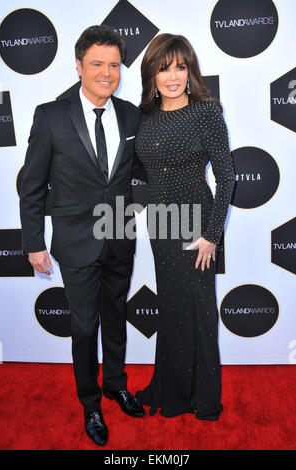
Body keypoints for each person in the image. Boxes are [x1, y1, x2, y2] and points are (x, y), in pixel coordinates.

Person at [20, 25, 146, 447]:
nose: (106, 72)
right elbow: (32, 184)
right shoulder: (50, 115)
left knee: (115, 317)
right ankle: (91, 404)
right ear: (78, 66)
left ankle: (115, 384)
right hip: (75, 242)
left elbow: (142, 172)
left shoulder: (131, 114)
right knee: (83, 325)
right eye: (97, 64)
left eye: (113, 64)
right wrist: (34, 241)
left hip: (119, 235)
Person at [135, 33, 235, 420]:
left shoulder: (206, 112)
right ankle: (171, 388)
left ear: (190, 70)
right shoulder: (144, 115)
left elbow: (226, 178)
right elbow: (142, 171)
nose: (172, 77)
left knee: (198, 310)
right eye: (164, 68)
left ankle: (203, 398)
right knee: (172, 309)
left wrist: (212, 235)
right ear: (153, 73)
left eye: (180, 67)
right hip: (160, 223)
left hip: (195, 225)